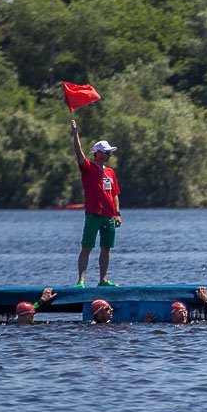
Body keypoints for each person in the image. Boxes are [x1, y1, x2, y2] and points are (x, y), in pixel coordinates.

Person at [71, 120, 122, 288]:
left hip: (109, 216)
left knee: (106, 249)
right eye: (107, 153)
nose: (109, 156)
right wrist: (75, 133)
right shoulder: (87, 168)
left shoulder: (110, 172)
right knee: (87, 247)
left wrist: (117, 213)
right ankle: (81, 281)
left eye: (110, 153)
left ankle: (103, 280)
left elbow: (115, 194)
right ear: (98, 153)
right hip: (93, 214)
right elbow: (78, 152)